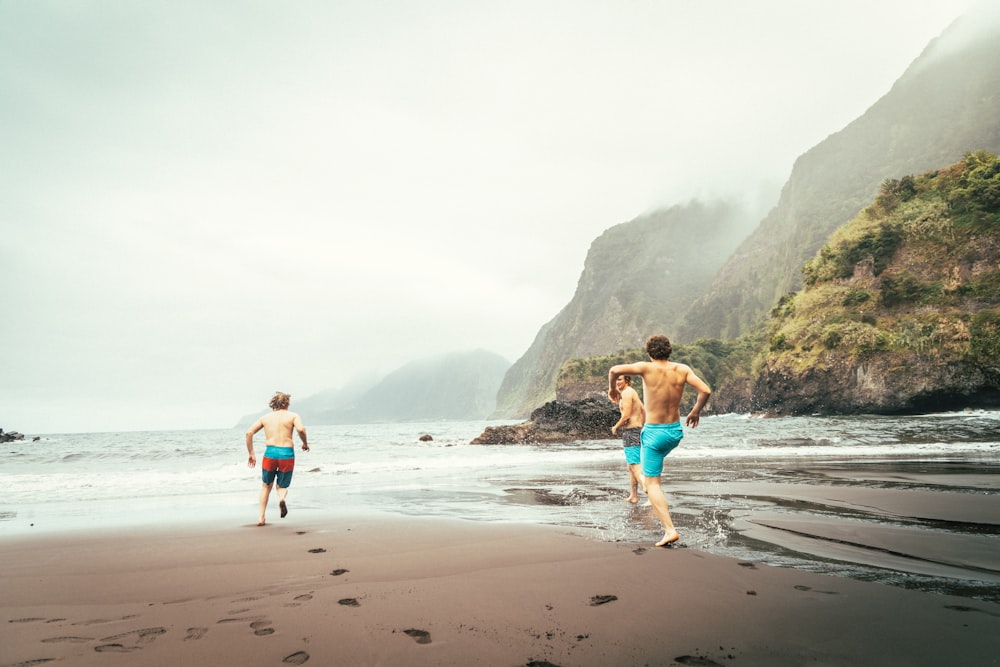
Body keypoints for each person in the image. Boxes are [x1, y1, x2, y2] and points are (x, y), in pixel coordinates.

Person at [608, 335, 711, 547]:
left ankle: (670, 530)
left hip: (654, 434)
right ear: (669, 350)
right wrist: (695, 412)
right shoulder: (682, 369)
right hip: (674, 432)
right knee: (654, 477)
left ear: (648, 352)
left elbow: (614, 370)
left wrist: (611, 389)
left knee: (651, 484)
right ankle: (659, 507)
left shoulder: (646, 368)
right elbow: (706, 390)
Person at [245, 391, 309, 526]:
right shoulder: (293, 416)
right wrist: (304, 443)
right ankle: (281, 499)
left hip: (270, 453)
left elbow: (249, 432)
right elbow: (301, 430)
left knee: (266, 486)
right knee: (282, 485)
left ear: (274, 403)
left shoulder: (265, 418)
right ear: (287, 403)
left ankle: (261, 518)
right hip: (286, 453)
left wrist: (251, 453)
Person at [610, 374, 646, 503]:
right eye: (616, 380)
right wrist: (641, 425)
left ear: (627, 380)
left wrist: (616, 426)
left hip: (631, 432)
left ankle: (650, 494)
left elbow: (626, 415)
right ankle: (634, 496)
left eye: (620, 379)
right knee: (630, 466)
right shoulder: (632, 392)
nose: (617, 382)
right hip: (636, 430)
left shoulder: (626, 393)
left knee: (634, 465)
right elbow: (643, 410)